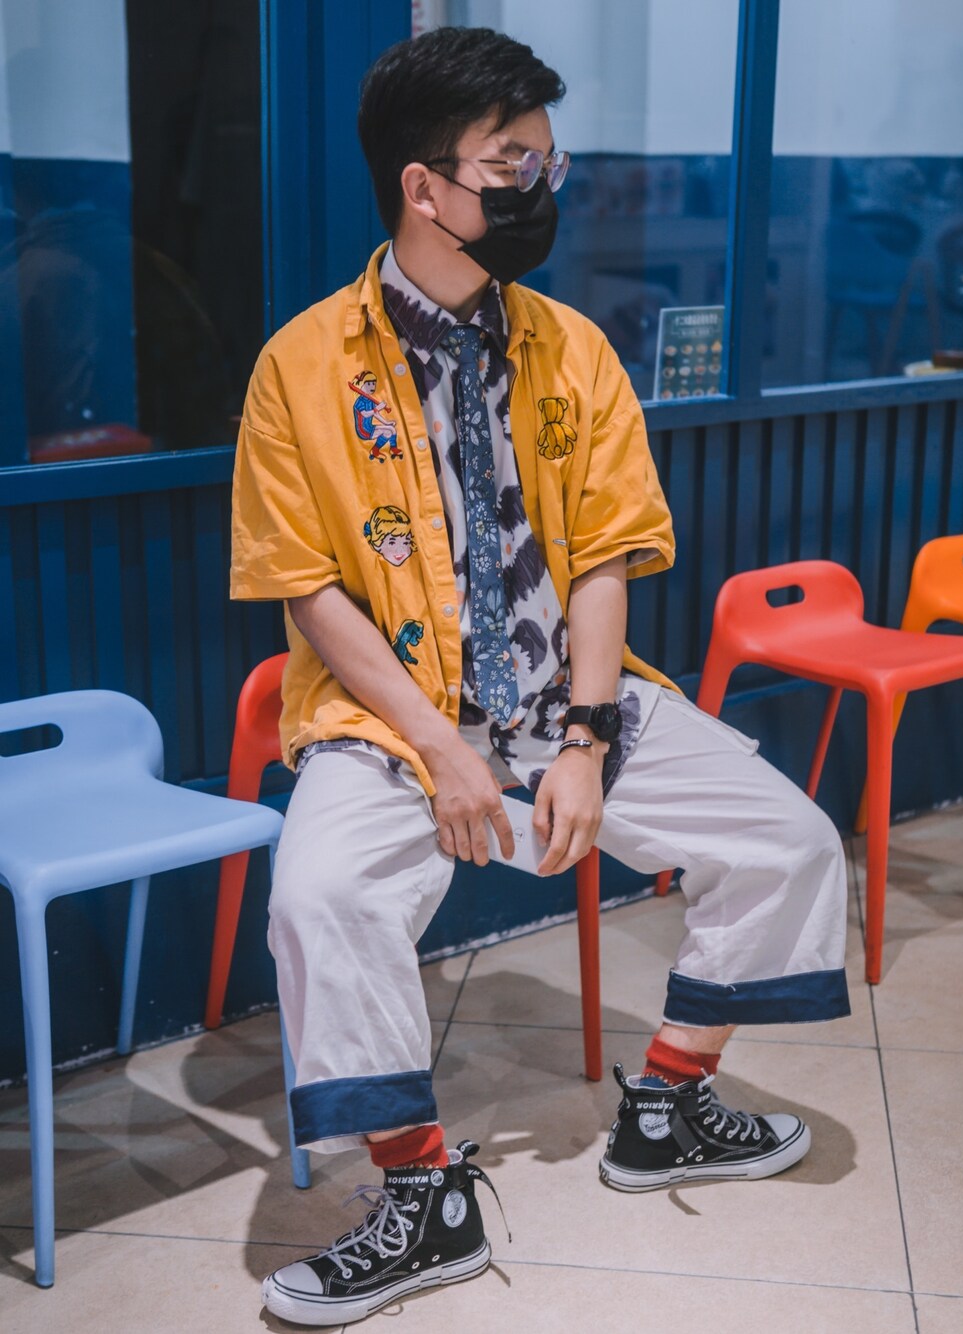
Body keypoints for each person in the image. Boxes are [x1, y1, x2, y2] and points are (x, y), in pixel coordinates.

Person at [230, 26, 849, 1328]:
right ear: (423, 186)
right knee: (323, 894)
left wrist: (583, 737)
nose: (542, 185)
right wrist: (442, 749)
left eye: (546, 159)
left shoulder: (573, 347)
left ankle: (671, 1102)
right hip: (394, 717)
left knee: (790, 842)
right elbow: (310, 589)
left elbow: (607, 558)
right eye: (512, 162)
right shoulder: (302, 365)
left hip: (568, 699)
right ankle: (421, 1196)